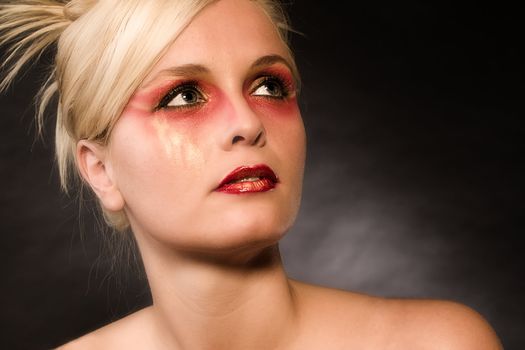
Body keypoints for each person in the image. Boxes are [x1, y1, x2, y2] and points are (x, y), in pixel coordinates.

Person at [0, 0, 503, 349]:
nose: (247, 123)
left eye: (268, 86)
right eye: (184, 96)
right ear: (102, 171)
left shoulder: (436, 344)